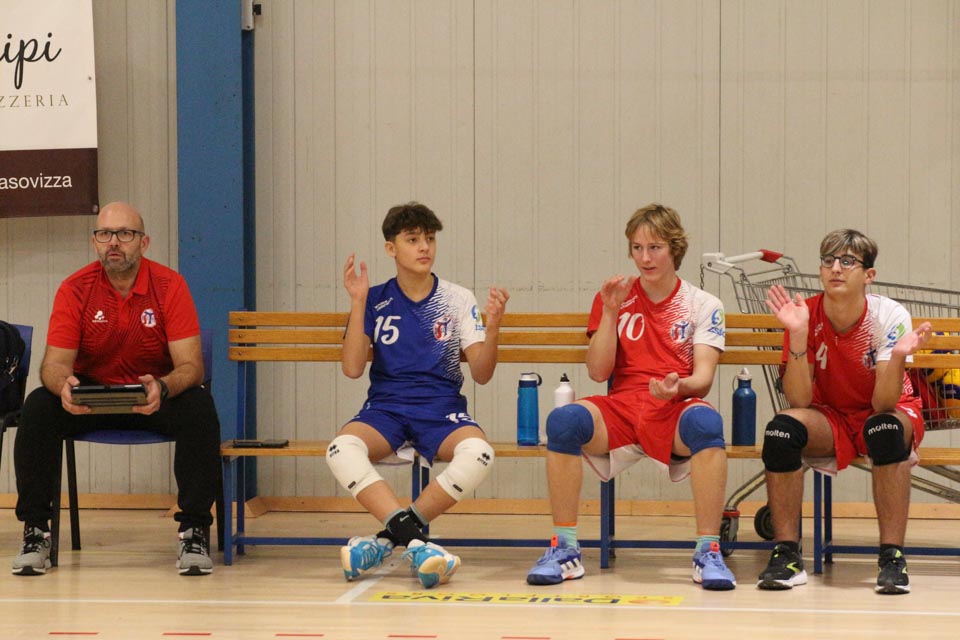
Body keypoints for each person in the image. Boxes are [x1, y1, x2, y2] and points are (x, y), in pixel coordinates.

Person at [525, 203, 736, 590]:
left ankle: (708, 552)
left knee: (708, 423)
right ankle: (564, 549)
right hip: (622, 408)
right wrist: (609, 312)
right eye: (637, 248)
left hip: (672, 407)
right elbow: (598, 372)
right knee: (563, 421)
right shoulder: (616, 296)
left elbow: (703, 379)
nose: (645, 258)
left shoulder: (703, 304)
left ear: (674, 249)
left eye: (654, 248)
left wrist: (677, 386)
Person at [11, 202, 221, 577]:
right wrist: (64, 388)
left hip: (153, 395)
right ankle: (36, 532)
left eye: (125, 234)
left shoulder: (170, 285)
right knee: (40, 405)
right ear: (95, 241)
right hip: (91, 398)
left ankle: (193, 531)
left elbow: (191, 366)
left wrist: (163, 387)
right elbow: (53, 365)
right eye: (105, 234)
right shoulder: (75, 288)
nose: (114, 243)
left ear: (144, 242)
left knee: (199, 406)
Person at [329, 202, 509, 589]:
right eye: (412, 240)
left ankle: (385, 540)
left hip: (440, 409)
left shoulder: (458, 298)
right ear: (390, 248)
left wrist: (493, 328)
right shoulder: (374, 298)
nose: (424, 247)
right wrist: (357, 303)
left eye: (429, 239)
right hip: (386, 409)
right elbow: (352, 368)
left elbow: (482, 373)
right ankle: (417, 542)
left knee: (479, 453)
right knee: (340, 449)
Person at [757, 229, 932, 595]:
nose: (835, 268)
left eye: (848, 261)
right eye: (828, 260)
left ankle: (892, 558)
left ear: (869, 274)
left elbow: (883, 404)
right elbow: (799, 400)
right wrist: (798, 335)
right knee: (781, 431)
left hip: (886, 409)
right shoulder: (804, 313)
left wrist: (899, 357)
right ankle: (787, 555)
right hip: (830, 413)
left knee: (883, 430)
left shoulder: (887, 315)